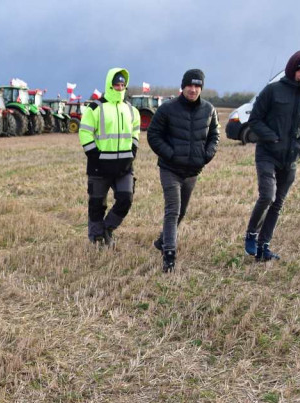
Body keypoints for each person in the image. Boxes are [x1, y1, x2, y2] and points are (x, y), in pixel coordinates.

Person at [243, 50, 300, 261]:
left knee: (278, 204)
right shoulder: (272, 91)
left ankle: (263, 248)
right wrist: (273, 138)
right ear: (292, 68)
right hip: (268, 153)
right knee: (268, 196)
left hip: (291, 157)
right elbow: (255, 120)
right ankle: (251, 233)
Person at [146, 68, 219, 272]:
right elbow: (153, 135)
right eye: (190, 85)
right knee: (173, 210)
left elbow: (215, 134)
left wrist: (207, 154)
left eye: (197, 86)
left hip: (193, 170)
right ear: (183, 86)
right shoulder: (167, 109)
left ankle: (162, 240)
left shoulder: (209, 109)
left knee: (182, 212)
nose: (193, 89)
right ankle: (169, 254)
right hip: (170, 169)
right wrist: (170, 154)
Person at [78, 68, 141, 245]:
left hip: (124, 167)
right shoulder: (95, 108)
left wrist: (133, 151)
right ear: (109, 85)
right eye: (116, 84)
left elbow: (136, 131)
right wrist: (95, 157)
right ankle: (97, 239)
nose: (120, 88)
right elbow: (84, 133)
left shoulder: (131, 110)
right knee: (97, 205)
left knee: (126, 199)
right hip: (99, 167)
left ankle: (107, 228)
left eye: (123, 85)